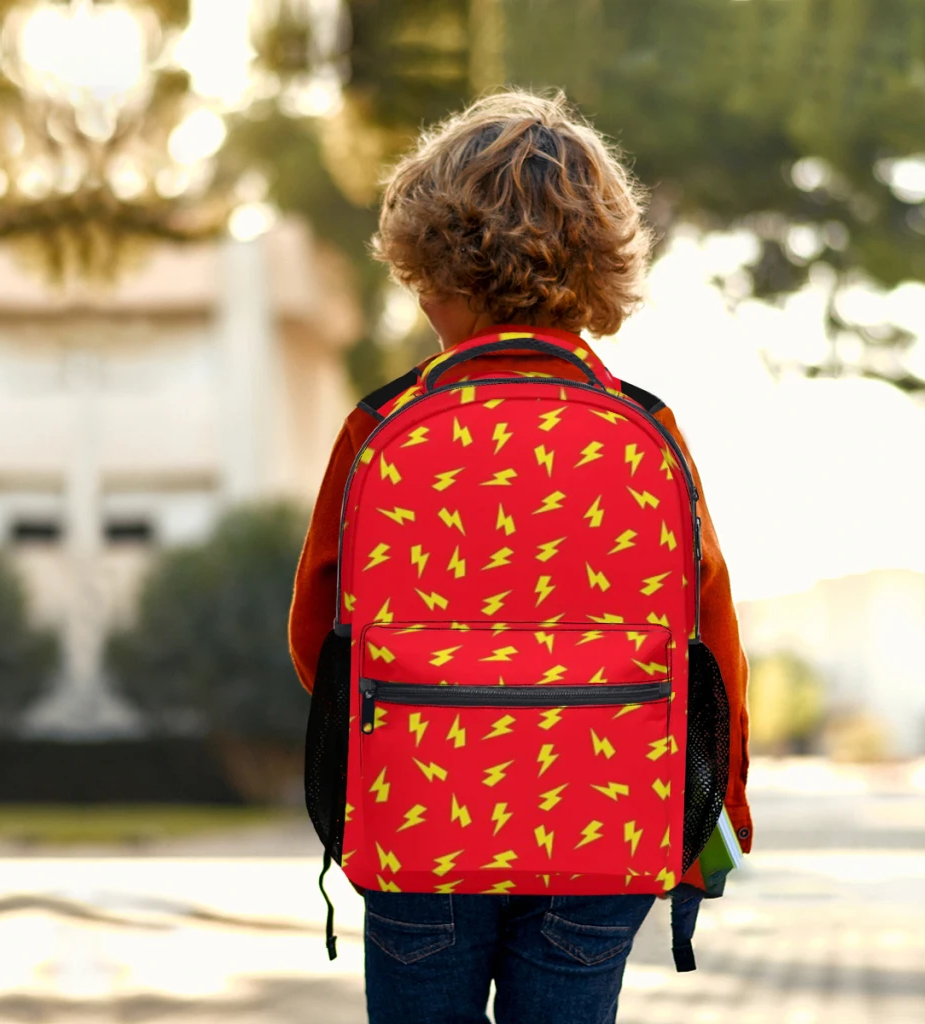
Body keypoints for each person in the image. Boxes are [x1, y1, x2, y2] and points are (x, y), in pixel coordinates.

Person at [290, 88, 751, 1024]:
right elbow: (709, 640)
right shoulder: (648, 431)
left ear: (431, 269)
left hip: (421, 828)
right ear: (602, 270)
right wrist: (720, 810)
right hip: (602, 831)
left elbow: (317, 638)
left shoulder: (382, 426)